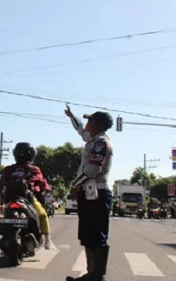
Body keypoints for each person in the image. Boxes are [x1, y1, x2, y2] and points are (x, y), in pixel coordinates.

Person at [64, 105, 113, 281]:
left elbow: (93, 169)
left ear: (96, 125)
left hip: (97, 195)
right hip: (89, 195)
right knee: (87, 235)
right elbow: (79, 129)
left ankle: (96, 276)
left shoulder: (101, 143)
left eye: (89, 120)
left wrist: (75, 185)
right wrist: (71, 116)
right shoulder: (92, 140)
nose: (86, 123)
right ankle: (91, 273)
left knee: (96, 235)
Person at [1, 142, 55, 250]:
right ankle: (48, 241)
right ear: (31, 154)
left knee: (5, 217)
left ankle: (5, 240)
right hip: (28, 199)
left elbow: (2, 183)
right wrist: (47, 189)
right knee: (43, 215)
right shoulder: (34, 169)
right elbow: (42, 182)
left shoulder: (8, 169)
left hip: (9, 199)